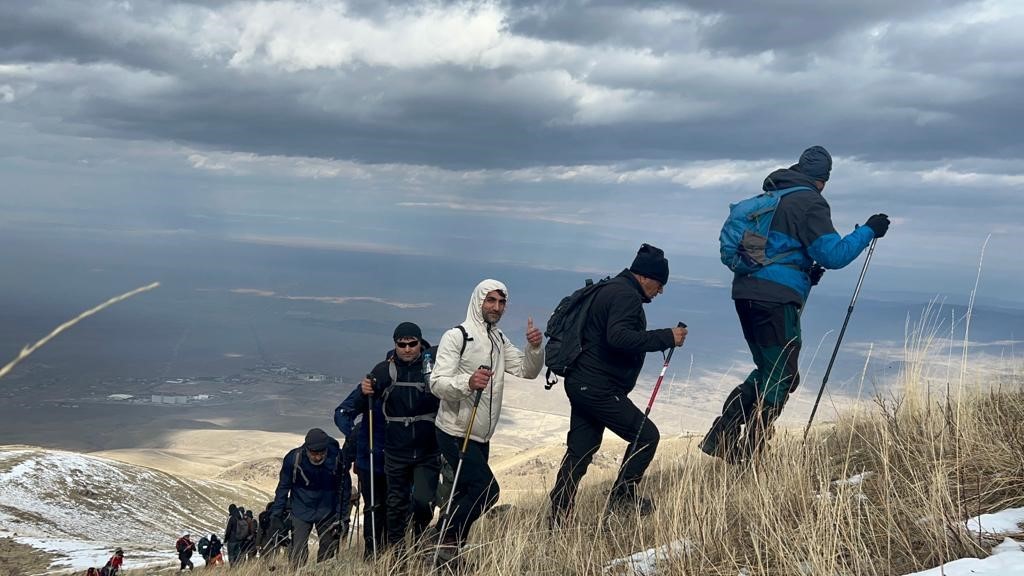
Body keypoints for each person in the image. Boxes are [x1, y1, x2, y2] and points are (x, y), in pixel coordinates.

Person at [700, 145, 890, 463]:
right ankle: (750, 446)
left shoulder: (774, 198)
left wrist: (802, 271)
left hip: (746, 292)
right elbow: (834, 254)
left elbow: (774, 250)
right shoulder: (809, 202)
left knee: (771, 370)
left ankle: (725, 435)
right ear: (823, 180)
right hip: (774, 299)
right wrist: (869, 230)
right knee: (784, 374)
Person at [548, 243, 688, 525]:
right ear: (646, 277)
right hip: (598, 386)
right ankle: (623, 498)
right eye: (660, 284)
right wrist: (667, 337)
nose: (660, 291)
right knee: (646, 435)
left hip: (581, 381)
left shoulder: (609, 288)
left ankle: (558, 515)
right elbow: (619, 338)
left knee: (581, 449)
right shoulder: (625, 296)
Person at [430, 279, 544, 566]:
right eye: (490, 301)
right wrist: (467, 382)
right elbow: (438, 384)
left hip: (481, 434)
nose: (496, 307)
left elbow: (526, 370)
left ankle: (447, 553)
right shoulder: (457, 337)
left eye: (501, 302)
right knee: (487, 490)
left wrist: (534, 348)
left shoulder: (498, 338)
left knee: (466, 493)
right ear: (478, 301)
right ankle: (445, 539)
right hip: (455, 430)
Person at [358, 322, 442, 551]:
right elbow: (360, 401)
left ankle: (419, 540)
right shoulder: (384, 370)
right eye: (401, 344)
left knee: (424, 501)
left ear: (420, 342)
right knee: (395, 503)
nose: (407, 349)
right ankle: (397, 552)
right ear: (395, 344)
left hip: (427, 450)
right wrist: (364, 389)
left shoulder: (434, 366)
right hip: (396, 451)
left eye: (412, 344)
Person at [269, 428, 349, 566]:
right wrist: (276, 515)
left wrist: (342, 517)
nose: (317, 457)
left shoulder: (337, 458)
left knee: (328, 550)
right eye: (314, 453)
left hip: (327, 511)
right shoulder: (293, 459)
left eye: (321, 453)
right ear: (307, 448)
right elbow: (283, 488)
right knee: (297, 552)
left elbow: (343, 489)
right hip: (301, 511)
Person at [335, 380, 388, 558]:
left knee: (375, 508)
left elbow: (345, 462)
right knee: (379, 508)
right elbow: (342, 413)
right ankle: (376, 551)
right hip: (373, 465)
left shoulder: (359, 430)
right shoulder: (373, 386)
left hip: (375, 465)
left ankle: (375, 552)